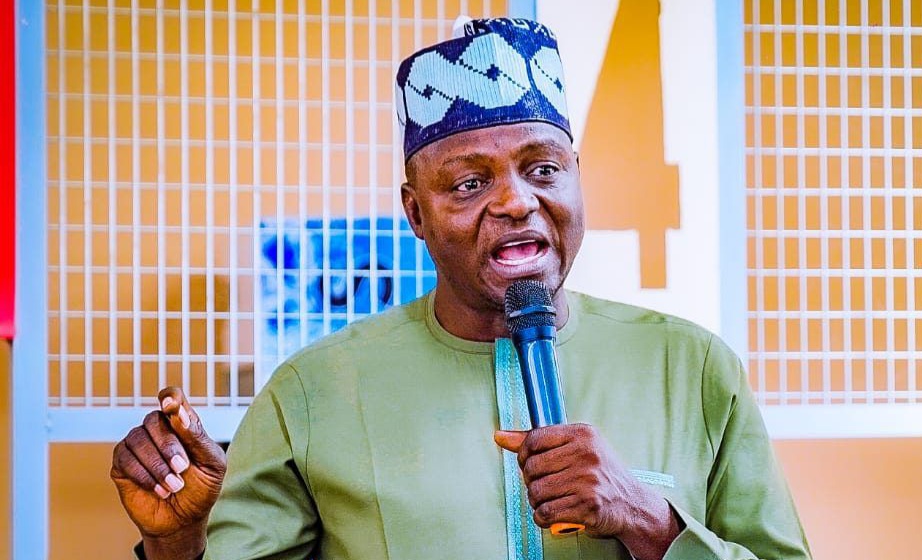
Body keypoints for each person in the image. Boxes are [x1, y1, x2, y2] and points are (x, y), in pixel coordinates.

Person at [111, 17, 811, 560]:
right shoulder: (312, 392)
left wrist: (648, 520)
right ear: (416, 213)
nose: (516, 202)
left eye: (543, 170)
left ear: (577, 176)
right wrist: (178, 542)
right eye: (471, 183)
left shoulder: (693, 368)